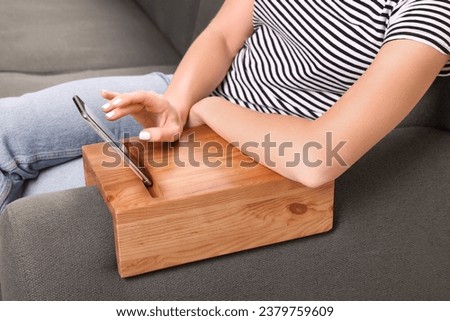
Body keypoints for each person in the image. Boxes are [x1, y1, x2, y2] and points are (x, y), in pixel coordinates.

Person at [1, 0, 449, 213]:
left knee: (32, 206)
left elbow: (317, 157)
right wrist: (175, 102)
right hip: (182, 98)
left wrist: (207, 111)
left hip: (253, 155)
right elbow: (223, 34)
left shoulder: (430, 11)